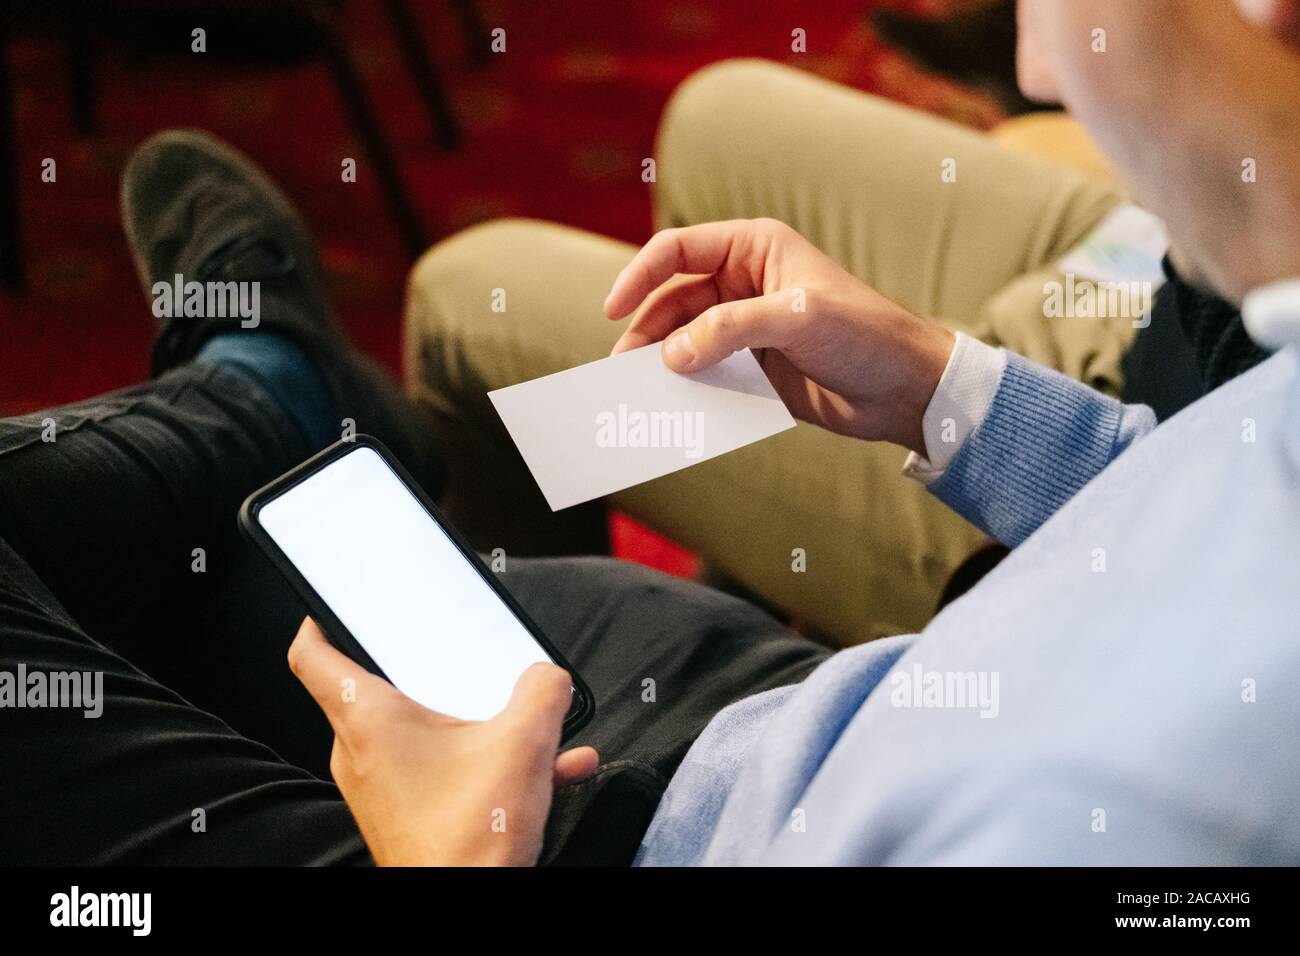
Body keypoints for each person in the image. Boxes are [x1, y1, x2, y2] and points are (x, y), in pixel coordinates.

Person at [2, 0, 1297, 867]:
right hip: (803, 728)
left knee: (165, 582)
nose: (1034, 72)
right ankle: (259, 393)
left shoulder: (1131, 818)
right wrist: (937, 389)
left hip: (639, 824)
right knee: (176, 588)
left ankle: (258, 392)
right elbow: (1193, 515)